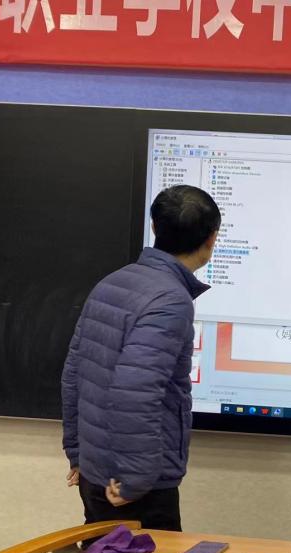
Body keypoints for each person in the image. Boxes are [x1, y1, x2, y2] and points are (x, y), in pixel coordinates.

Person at [61, 185, 220, 531]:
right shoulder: (172, 300)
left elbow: (73, 374)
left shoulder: (112, 282)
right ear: (211, 239)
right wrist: (136, 479)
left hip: (96, 473)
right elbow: (135, 393)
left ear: (154, 226)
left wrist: (77, 453)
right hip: (133, 487)